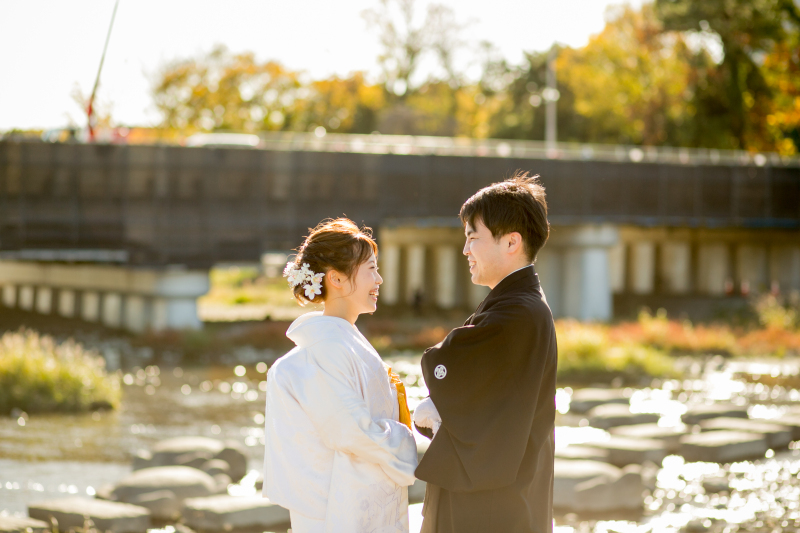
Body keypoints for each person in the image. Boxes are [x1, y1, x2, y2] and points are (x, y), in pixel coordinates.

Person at [413, 172, 558, 533]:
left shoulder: (518, 311)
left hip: (490, 510)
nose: (465, 250)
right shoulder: (518, 303)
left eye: (472, 238)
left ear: (511, 243)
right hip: (502, 501)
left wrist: (434, 402)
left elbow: (446, 361)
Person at [262, 218, 418, 533]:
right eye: (371, 269)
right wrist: (405, 441)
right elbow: (350, 432)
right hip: (334, 511)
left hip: (345, 503)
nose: (380, 279)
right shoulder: (326, 349)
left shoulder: (338, 341)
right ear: (336, 278)